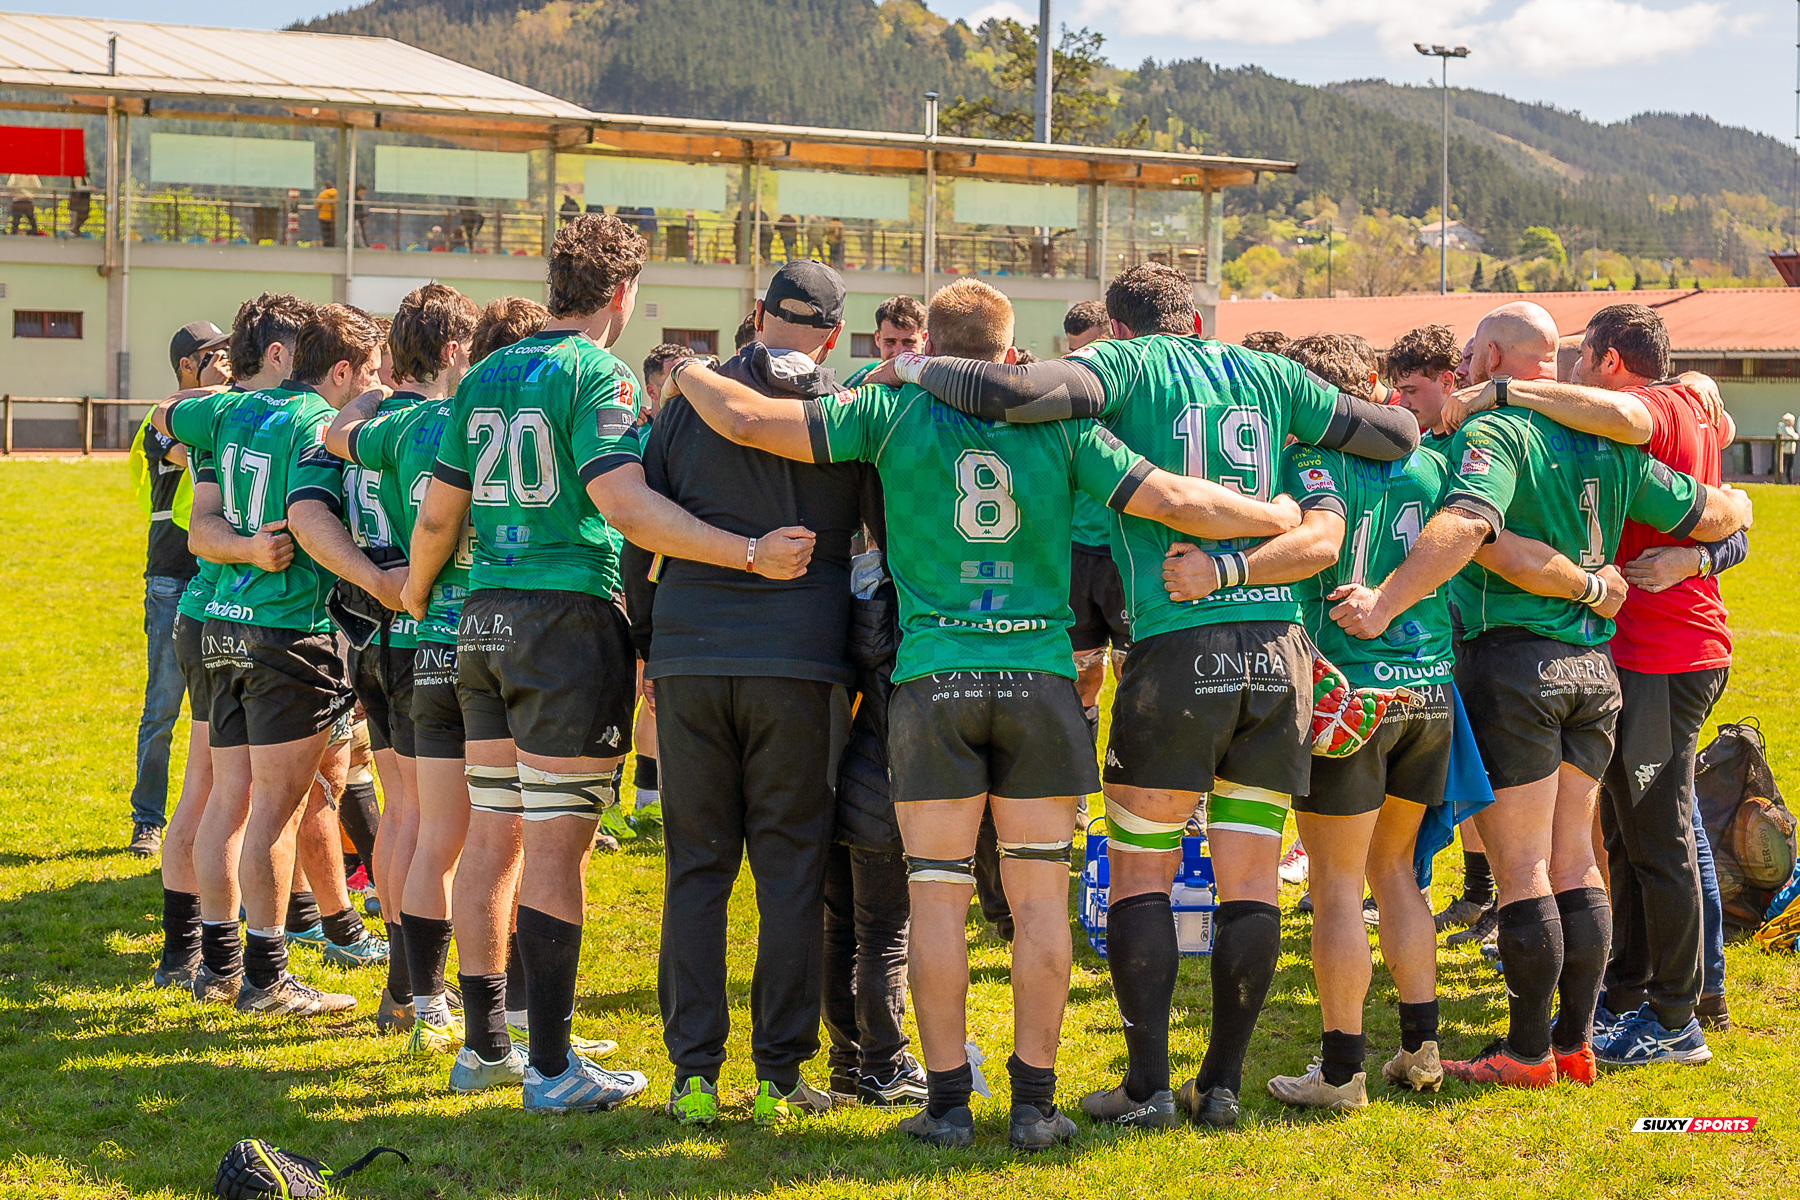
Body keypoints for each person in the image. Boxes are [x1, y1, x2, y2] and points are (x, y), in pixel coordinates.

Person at [668, 275, 1312, 1149]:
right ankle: (1035, 1105)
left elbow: (747, 420)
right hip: (1039, 678)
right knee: (1039, 898)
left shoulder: (887, 409)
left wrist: (689, 369)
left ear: (929, 350)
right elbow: (1173, 500)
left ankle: (945, 1106)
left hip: (935, 679)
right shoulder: (1062, 424)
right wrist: (1273, 515)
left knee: (936, 897)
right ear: (1010, 356)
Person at [879, 263, 1422, 1130]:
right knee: (1252, 877)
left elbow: (1012, 391)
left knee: (1141, 869)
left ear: (1121, 329)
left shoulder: (1126, 365)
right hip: (1277, 650)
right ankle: (1223, 1087)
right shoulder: (1272, 374)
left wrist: (911, 365)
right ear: (1197, 318)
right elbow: (1396, 431)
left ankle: (1148, 1087)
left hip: (1176, 644)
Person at [400, 213, 814, 1114]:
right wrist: (745, 553)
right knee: (557, 846)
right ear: (622, 292)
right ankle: (551, 1069)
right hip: (565, 622)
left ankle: (486, 1046)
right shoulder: (597, 372)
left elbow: (437, 514)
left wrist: (416, 591)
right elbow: (625, 506)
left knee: (493, 833)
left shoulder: (485, 374)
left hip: (483, 616)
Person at [1329, 302, 1753, 1090]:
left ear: (1491, 358)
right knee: (1575, 861)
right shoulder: (1612, 441)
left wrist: (1385, 601)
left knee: (1523, 867)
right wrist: (1740, 511)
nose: (1462, 366)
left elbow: (1470, 524)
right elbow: (1711, 510)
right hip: (1595, 670)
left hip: (1516, 664)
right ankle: (1575, 1043)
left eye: (1468, 354)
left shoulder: (1497, 431)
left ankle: (1526, 1055)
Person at [1234, 332, 1606, 1111]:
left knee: (1337, 884)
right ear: (1371, 384)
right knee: (1395, 870)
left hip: (1350, 691)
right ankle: (1420, 1049)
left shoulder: (1305, 462)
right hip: (1430, 690)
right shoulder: (1431, 462)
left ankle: (1341, 1072)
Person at [615, 262, 877, 1127]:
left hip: (691, 651)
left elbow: (641, 533)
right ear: (832, 337)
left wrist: (649, 646)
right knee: (790, 870)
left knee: (697, 866)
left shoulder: (688, 402)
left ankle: (693, 1076)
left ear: (757, 315)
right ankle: (778, 1076)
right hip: (800, 661)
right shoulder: (843, 413)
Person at [153, 297, 396, 1018]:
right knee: (276, 813)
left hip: (219, 623)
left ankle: (216, 965)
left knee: (226, 800)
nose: (373, 385)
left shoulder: (230, 410)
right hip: (287, 631)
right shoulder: (319, 424)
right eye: (369, 373)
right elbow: (315, 516)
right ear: (341, 370)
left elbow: (168, 415)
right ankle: (265, 978)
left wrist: (190, 411)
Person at [1551, 305, 1744, 1067]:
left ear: (1609, 362)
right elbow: (1719, 438)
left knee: (1660, 837)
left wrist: (1501, 392)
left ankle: (1678, 1019)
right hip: (1642, 652)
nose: (1571, 372)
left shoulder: (1650, 408)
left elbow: (1734, 517)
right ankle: (1628, 991)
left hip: (1671, 655)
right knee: (1627, 832)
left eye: (1580, 358)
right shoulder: (1691, 399)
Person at [327, 284, 481, 1054]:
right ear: (453, 351)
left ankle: (402, 984)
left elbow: (334, 435)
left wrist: (372, 394)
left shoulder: (380, 423)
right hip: (435, 627)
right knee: (439, 828)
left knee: (404, 816)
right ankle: (422, 993)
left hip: (374, 627)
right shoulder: (454, 423)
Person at [126, 321, 229, 857]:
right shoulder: (162, 420)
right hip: (171, 576)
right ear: (189, 365)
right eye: (215, 354)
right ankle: (147, 819)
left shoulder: (225, 412)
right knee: (164, 706)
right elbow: (197, 457)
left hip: (219, 575)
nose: (227, 360)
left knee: (218, 709)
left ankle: (210, 816)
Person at [844, 296, 929, 388]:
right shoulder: (859, 382)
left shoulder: (935, 384)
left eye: (908, 342)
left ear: (924, 338)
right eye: (890, 342)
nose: (899, 353)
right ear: (877, 338)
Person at [1777, 413, 1796, 483]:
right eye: (1793, 421)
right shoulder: (1784, 428)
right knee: (1784, 466)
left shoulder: (1790, 428)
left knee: (1790, 467)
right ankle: (1780, 480)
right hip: (1785, 450)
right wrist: (1796, 435)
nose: (1794, 422)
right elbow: (1794, 436)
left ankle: (1790, 481)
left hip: (1790, 450)